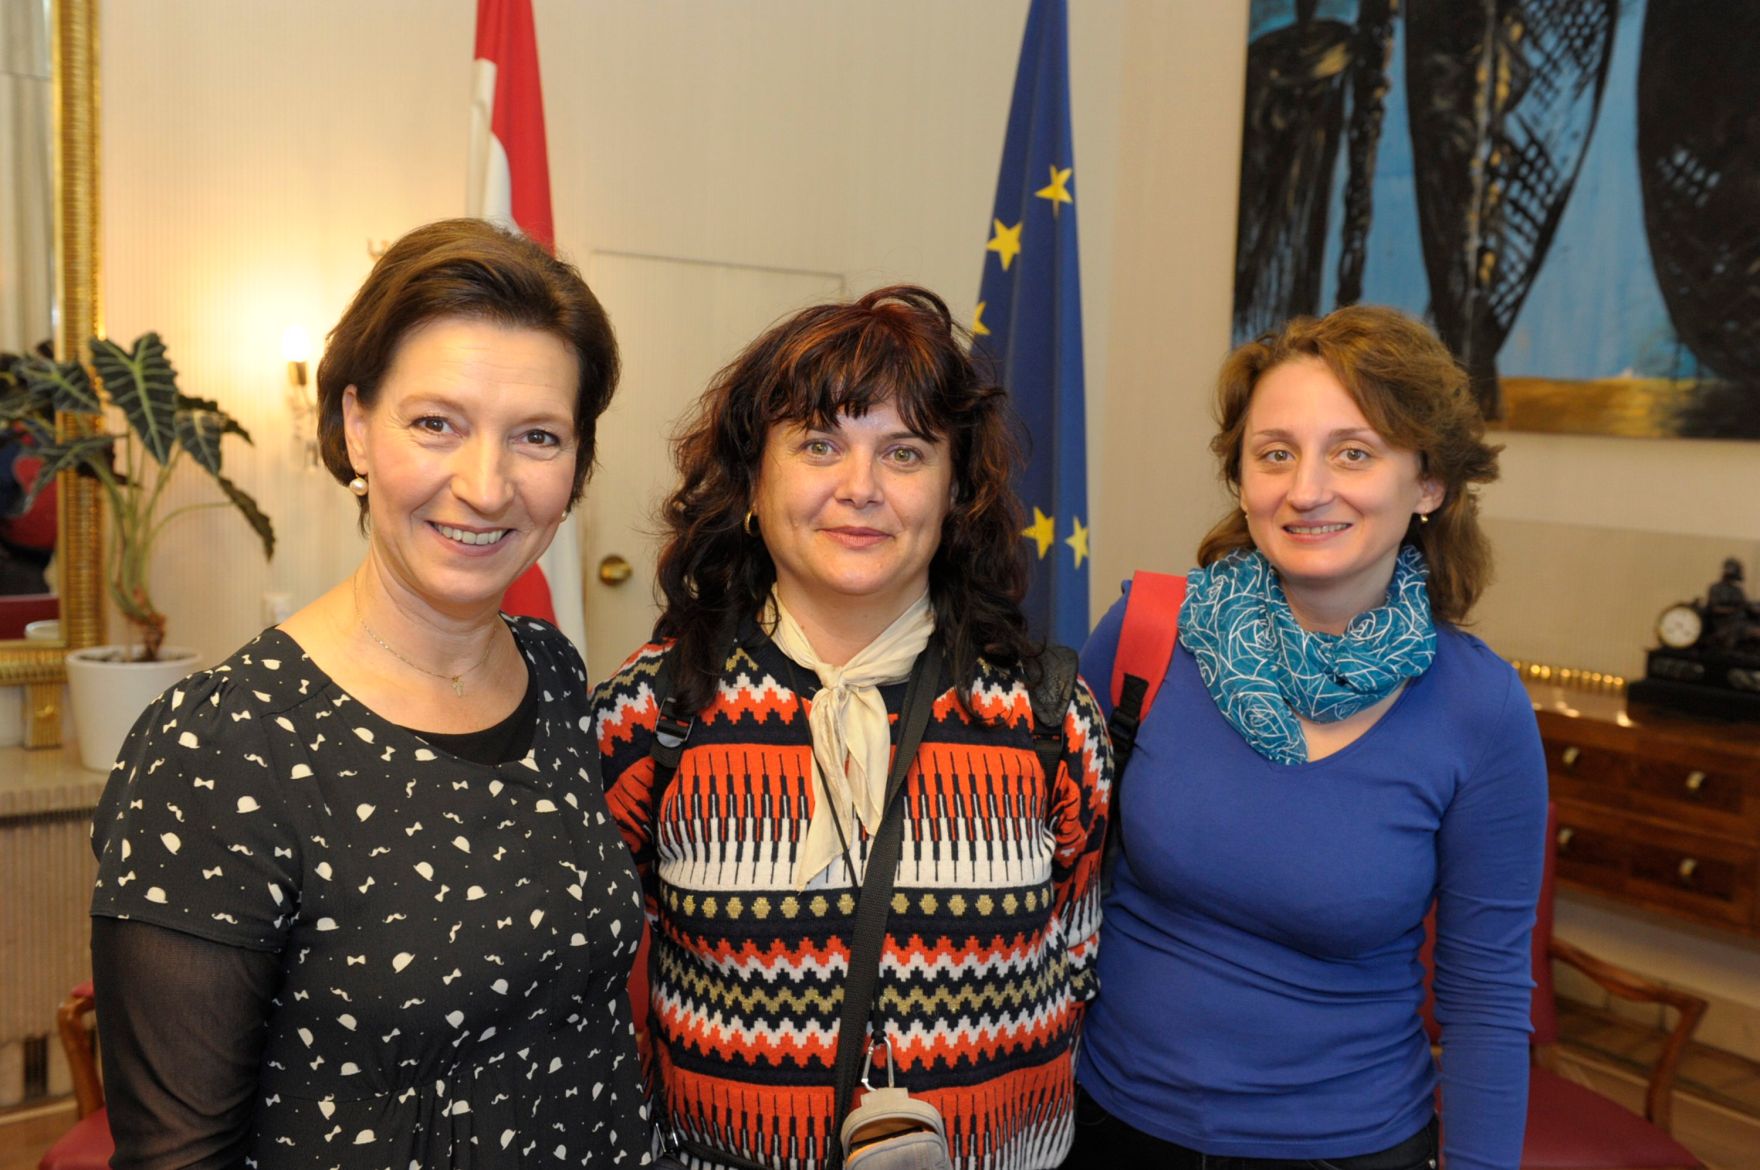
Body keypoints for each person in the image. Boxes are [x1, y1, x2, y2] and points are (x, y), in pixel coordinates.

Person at [88, 219, 651, 1169]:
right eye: (436, 423)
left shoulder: (550, 672)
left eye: (537, 437)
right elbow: (177, 1154)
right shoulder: (223, 744)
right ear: (355, 425)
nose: (487, 485)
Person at [590, 286, 1111, 1170]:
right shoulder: (651, 716)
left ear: (954, 495)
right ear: (753, 482)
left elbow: (1078, 961)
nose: (860, 489)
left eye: (905, 453)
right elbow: (603, 991)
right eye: (820, 444)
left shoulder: (1050, 717)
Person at [1067, 305, 1547, 1170]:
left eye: (1354, 452)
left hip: (1346, 1147)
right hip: (1103, 1125)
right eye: (1275, 452)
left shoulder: (1481, 710)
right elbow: (1045, 880)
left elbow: (1484, 1000)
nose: (1307, 488)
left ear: (1429, 484)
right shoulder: (1146, 636)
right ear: (1242, 477)